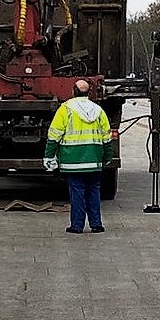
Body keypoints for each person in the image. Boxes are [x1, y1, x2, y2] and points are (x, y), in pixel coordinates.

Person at [44, 79, 114, 234]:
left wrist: (49, 156)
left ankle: (77, 226)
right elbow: (107, 137)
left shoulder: (65, 109)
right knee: (94, 191)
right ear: (88, 93)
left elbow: (54, 135)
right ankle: (96, 224)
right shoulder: (98, 110)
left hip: (73, 161)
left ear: (73, 91)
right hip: (94, 160)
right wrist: (107, 156)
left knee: (77, 192)